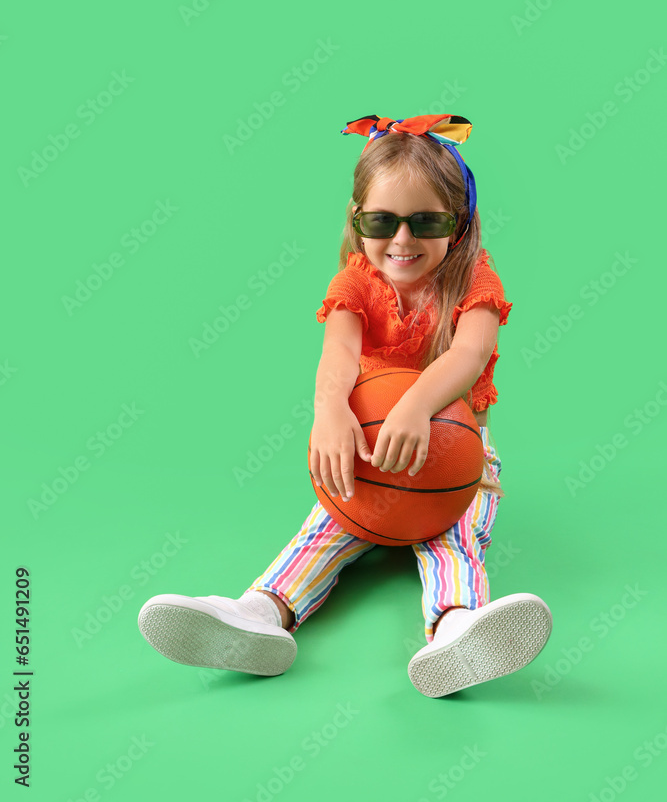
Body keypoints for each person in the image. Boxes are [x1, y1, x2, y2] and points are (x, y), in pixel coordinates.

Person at [137, 112, 552, 697]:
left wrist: (413, 406)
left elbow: (468, 354)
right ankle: (259, 614)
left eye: (425, 222)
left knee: (453, 537)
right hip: (367, 452)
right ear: (356, 221)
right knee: (329, 524)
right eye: (382, 221)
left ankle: (457, 627)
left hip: (458, 458)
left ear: (457, 224)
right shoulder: (355, 282)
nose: (402, 241)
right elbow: (337, 353)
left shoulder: (475, 280)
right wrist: (329, 412)